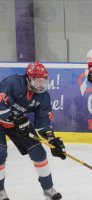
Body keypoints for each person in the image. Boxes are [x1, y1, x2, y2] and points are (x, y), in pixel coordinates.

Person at [0, 62, 66, 200]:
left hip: (18, 124)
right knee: (0, 154)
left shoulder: (43, 96)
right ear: (28, 78)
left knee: (39, 152)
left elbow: (43, 124)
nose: (41, 84)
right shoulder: (12, 83)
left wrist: (52, 140)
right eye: (38, 80)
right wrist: (16, 119)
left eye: (44, 80)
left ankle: (48, 189)